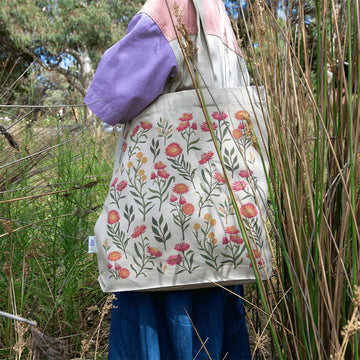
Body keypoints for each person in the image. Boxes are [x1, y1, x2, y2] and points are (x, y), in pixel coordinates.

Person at [84, 0, 253, 358]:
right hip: (218, 235)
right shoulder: (220, 15)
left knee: (157, 327)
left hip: (162, 253)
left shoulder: (169, 7)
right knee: (213, 330)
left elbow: (110, 95)